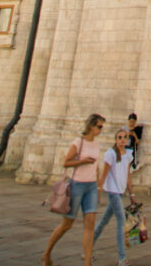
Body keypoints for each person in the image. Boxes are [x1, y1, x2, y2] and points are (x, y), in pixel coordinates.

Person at [41, 112, 105, 266]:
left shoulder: (96, 145)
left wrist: (98, 187)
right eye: (99, 126)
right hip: (77, 185)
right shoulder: (78, 142)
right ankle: (46, 254)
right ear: (91, 126)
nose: (101, 130)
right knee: (67, 224)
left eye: (102, 127)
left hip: (91, 187)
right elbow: (66, 162)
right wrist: (82, 161)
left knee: (89, 223)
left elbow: (96, 167)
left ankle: (87, 263)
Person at [93, 127, 137, 266]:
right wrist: (99, 190)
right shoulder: (111, 154)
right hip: (112, 191)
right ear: (115, 140)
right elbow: (104, 174)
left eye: (124, 137)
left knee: (103, 221)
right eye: (119, 137)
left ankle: (88, 248)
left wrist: (132, 194)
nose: (122, 139)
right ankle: (122, 258)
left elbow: (128, 175)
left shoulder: (129, 154)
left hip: (120, 191)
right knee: (121, 220)